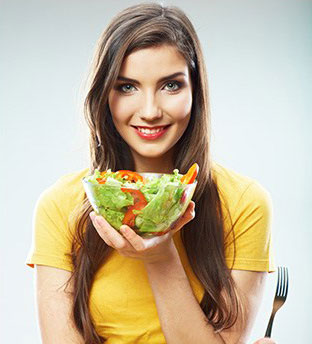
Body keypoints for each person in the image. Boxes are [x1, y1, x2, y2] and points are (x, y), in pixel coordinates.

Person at [26, 3, 278, 344]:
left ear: (195, 92)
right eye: (127, 87)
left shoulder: (245, 203)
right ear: (104, 96)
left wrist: (161, 257)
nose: (149, 111)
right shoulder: (61, 205)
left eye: (171, 86)